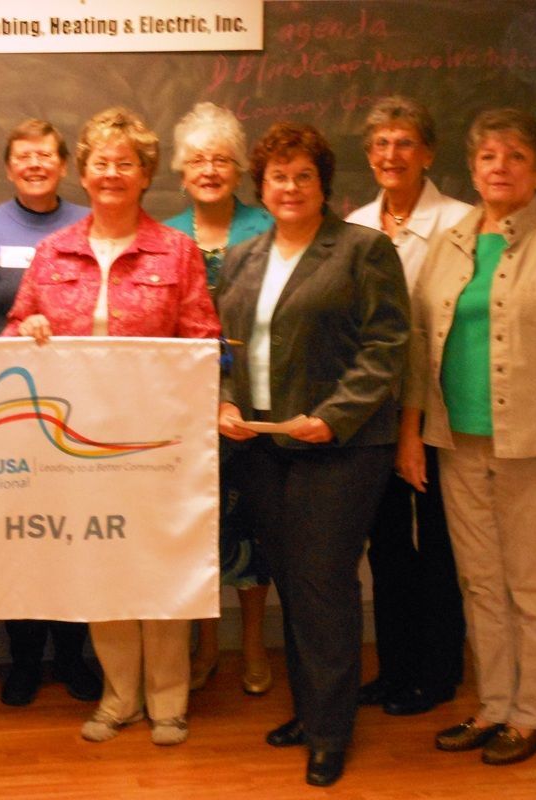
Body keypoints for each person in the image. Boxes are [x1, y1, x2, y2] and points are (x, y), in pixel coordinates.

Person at [399, 108, 536, 766]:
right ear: (472, 167)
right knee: (482, 585)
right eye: (489, 156)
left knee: (534, 586)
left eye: (516, 156)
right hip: (457, 443)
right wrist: (412, 432)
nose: (500, 167)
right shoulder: (449, 241)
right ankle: (493, 707)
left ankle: (531, 714)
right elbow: (418, 346)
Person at [3, 107, 220, 746]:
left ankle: (169, 702)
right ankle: (119, 697)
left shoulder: (176, 251)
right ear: (85, 172)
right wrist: (30, 330)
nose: (113, 174)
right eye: (102, 162)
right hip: (78, 448)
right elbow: (15, 329)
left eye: (127, 163)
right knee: (105, 573)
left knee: (162, 570)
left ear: (147, 173)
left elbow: (204, 342)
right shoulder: (52, 252)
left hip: (161, 444)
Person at [217, 121, 409, 786]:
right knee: (294, 584)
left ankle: (330, 731)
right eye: (278, 176)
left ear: (323, 183)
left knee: (324, 584)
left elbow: (386, 348)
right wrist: (224, 404)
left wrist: (332, 419)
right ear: (261, 187)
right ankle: (309, 710)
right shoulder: (243, 259)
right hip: (263, 446)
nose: (291, 186)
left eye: (303, 175)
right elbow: (223, 350)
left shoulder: (364, 249)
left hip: (340, 446)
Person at [0, 118, 99, 707]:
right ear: (9, 168)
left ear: (63, 165)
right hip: (8, 408)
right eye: (23, 156)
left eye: (46, 155)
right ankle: (24, 660)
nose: (35, 164)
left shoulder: (89, 226)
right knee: (23, 537)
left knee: (75, 536)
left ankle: (71, 657)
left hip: (79, 408)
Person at [345, 96, 471, 716]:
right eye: (380, 145)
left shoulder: (462, 222)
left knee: (441, 547)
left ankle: (439, 671)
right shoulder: (357, 225)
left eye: (403, 143)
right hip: (375, 413)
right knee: (387, 547)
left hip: (444, 413)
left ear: (427, 152)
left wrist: (416, 425)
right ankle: (394, 668)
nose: (390, 155)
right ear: (369, 157)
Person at [164, 101, 275, 696]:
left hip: (258, 403)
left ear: (239, 170)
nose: (209, 169)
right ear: (181, 173)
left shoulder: (270, 226)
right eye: (198, 160)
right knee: (199, 530)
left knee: (253, 525)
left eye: (222, 160)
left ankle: (254, 644)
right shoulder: (166, 237)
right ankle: (207, 645)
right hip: (185, 409)